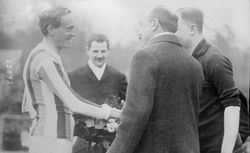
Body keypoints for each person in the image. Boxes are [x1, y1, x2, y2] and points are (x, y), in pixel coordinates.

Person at [21, 7, 121, 153]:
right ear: (51, 29)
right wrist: (114, 113)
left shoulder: (42, 55)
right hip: (51, 140)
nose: (73, 34)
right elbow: (74, 103)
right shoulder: (45, 60)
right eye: (68, 29)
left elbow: (30, 105)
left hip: (52, 138)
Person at [107, 5, 204, 153]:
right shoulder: (194, 64)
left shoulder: (145, 56)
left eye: (141, 26)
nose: (139, 33)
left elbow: (135, 115)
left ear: (154, 24)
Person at [175, 7, 243, 153]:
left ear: (192, 29)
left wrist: (226, 151)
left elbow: (232, 107)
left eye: (176, 28)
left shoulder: (214, 59)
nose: (173, 34)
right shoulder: (186, 61)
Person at [68, 34, 127, 153]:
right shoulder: (73, 77)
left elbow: (128, 106)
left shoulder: (118, 78)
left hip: (110, 144)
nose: (99, 55)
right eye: (95, 51)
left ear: (108, 51)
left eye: (103, 51)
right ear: (87, 51)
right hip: (80, 144)